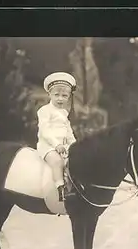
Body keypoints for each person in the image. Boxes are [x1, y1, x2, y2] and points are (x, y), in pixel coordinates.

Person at [36, 72, 77, 202]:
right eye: (56, 95)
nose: (60, 99)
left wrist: (75, 146)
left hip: (63, 147)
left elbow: (69, 132)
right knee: (57, 162)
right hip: (48, 146)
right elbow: (45, 130)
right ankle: (61, 188)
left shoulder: (64, 113)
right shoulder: (44, 111)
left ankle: (74, 186)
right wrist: (56, 144)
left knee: (75, 161)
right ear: (49, 95)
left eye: (64, 96)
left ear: (69, 97)